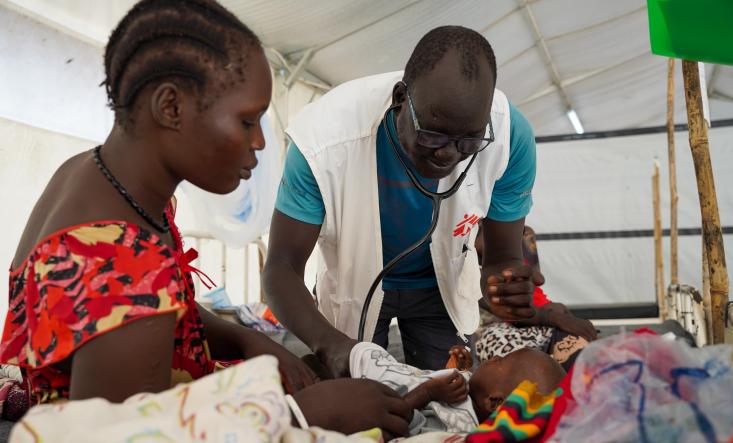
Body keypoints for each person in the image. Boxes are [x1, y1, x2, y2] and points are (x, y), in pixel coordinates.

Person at [0, 0, 410, 437]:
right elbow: (120, 434)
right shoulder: (122, 264)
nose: (258, 142)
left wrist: (245, 339)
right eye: (247, 120)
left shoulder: (95, 178)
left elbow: (159, 308)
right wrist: (300, 413)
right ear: (170, 107)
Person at [264, 26, 539, 377]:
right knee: (361, 410)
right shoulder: (323, 141)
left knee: (452, 399)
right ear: (399, 98)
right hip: (355, 288)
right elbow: (281, 267)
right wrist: (329, 345)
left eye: (468, 142)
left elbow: (502, 259)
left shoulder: (510, 137)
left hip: (441, 289)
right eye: (432, 135)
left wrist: (504, 286)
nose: (448, 154)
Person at [350, 341, 565, 435]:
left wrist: (428, 392)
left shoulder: (456, 425)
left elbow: (397, 418)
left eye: (501, 360)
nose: (494, 357)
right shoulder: (475, 402)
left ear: (494, 402)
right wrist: (460, 372)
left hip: (362, 390)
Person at [474, 226, 597, 370]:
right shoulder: (459, 251)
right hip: (494, 331)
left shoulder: (524, 235)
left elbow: (535, 289)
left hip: (535, 316)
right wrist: (554, 317)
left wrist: (555, 312)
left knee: (582, 344)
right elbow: (505, 310)